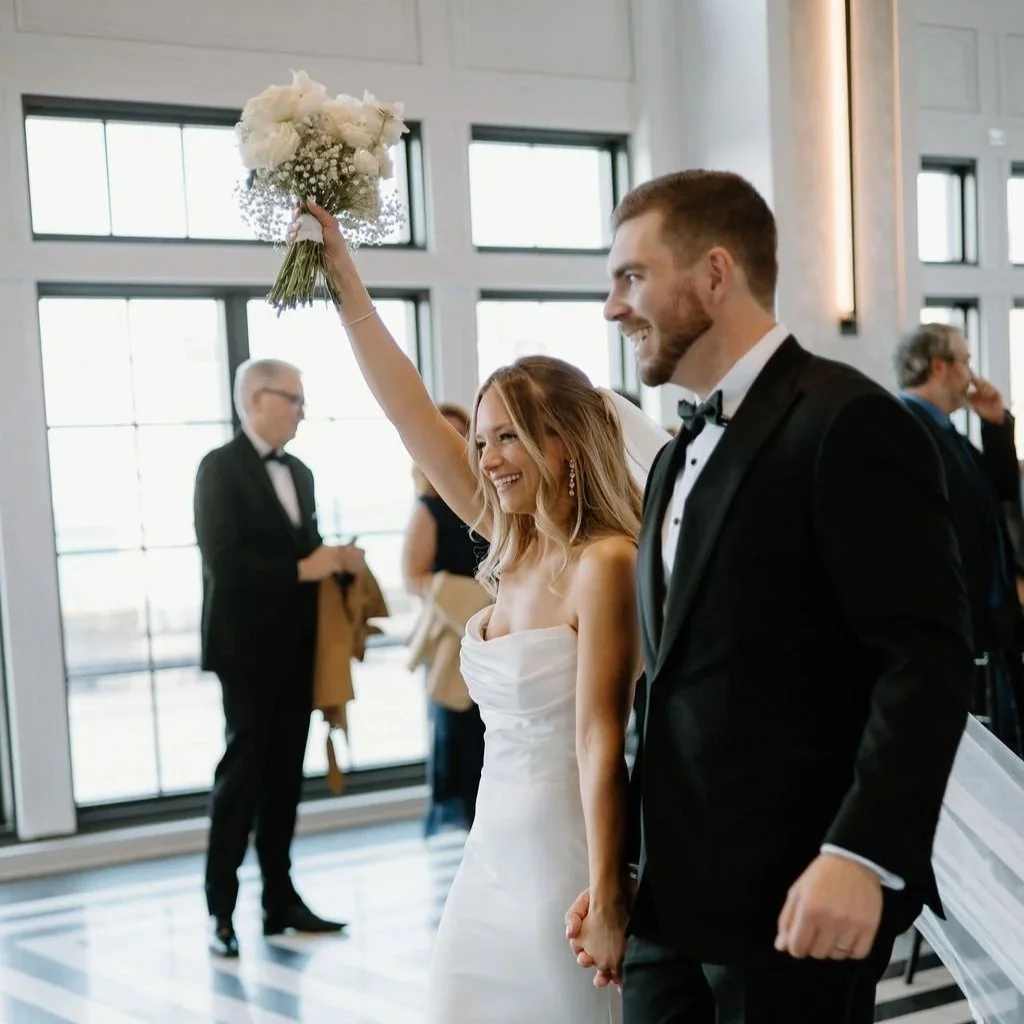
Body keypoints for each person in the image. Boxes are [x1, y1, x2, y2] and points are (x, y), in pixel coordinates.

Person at [566, 170, 973, 1023]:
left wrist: (859, 853)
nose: (612, 307)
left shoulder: (847, 422)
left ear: (715, 275)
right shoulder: (676, 455)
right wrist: (623, 873)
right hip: (667, 909)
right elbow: (670, 685)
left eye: (631, 277)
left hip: (796, 903)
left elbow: (922, 662)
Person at [301, 200, 651, 1022]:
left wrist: (606, 897)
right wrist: (344, 281)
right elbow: (410, 416)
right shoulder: (511, 545)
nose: (488, 460)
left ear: (563, 443)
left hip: (565, 856)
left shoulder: (607, 563)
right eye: (484, 440)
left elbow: (601, 739)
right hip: (489, 851)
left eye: (510, 439)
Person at [194, 358, 361, 957]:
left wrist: (333, 561)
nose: (300, 410)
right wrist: (303, 567)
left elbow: (306, 553)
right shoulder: (218, 469)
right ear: (254, 400)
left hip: (299, 649)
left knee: (287, 778)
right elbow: (224, 564)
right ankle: (220, 911)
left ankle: (279, 900)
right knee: (241, 778)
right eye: (291, 398)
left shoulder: (303, 472)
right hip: (244, 651)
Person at [895, 322, 1024, 754]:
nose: (972, 374)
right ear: (939, 367)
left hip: (989, 624)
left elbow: (1000, 493)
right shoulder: (904, 429)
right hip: (954, 629)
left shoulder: (950, 433)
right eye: (966, 362)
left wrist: (994, 424)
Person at [402, 403, 487, 835]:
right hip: (455, 638)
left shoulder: (491, 499)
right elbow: (412, 577)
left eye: (459, 436)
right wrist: (465, 598)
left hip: (498, 631)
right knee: (462, 737)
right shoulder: (429, 509)